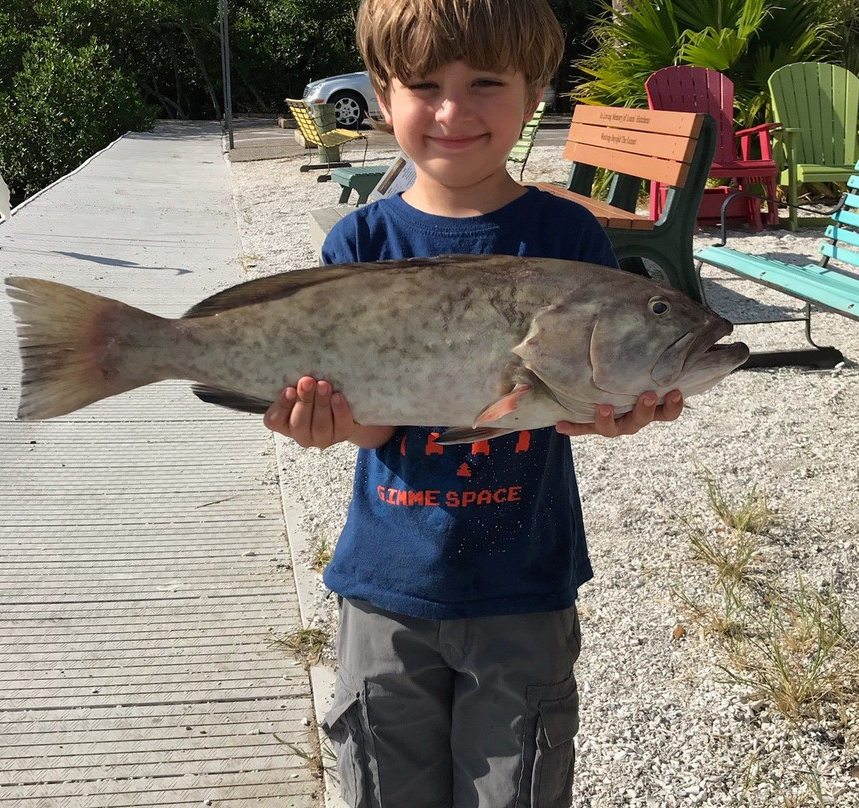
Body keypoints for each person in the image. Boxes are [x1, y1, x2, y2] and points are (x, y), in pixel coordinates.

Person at [264, 0, 683, 805]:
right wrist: (329, 423)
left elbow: (569, 405)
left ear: (535, 94)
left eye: (485, 82)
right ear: (383, 97)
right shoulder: (360, 244)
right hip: (384, 587)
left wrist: (617, 412)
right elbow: (376, 428)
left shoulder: (570, 240)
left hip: (524, 588)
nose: (453, 111)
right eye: (424, 85)